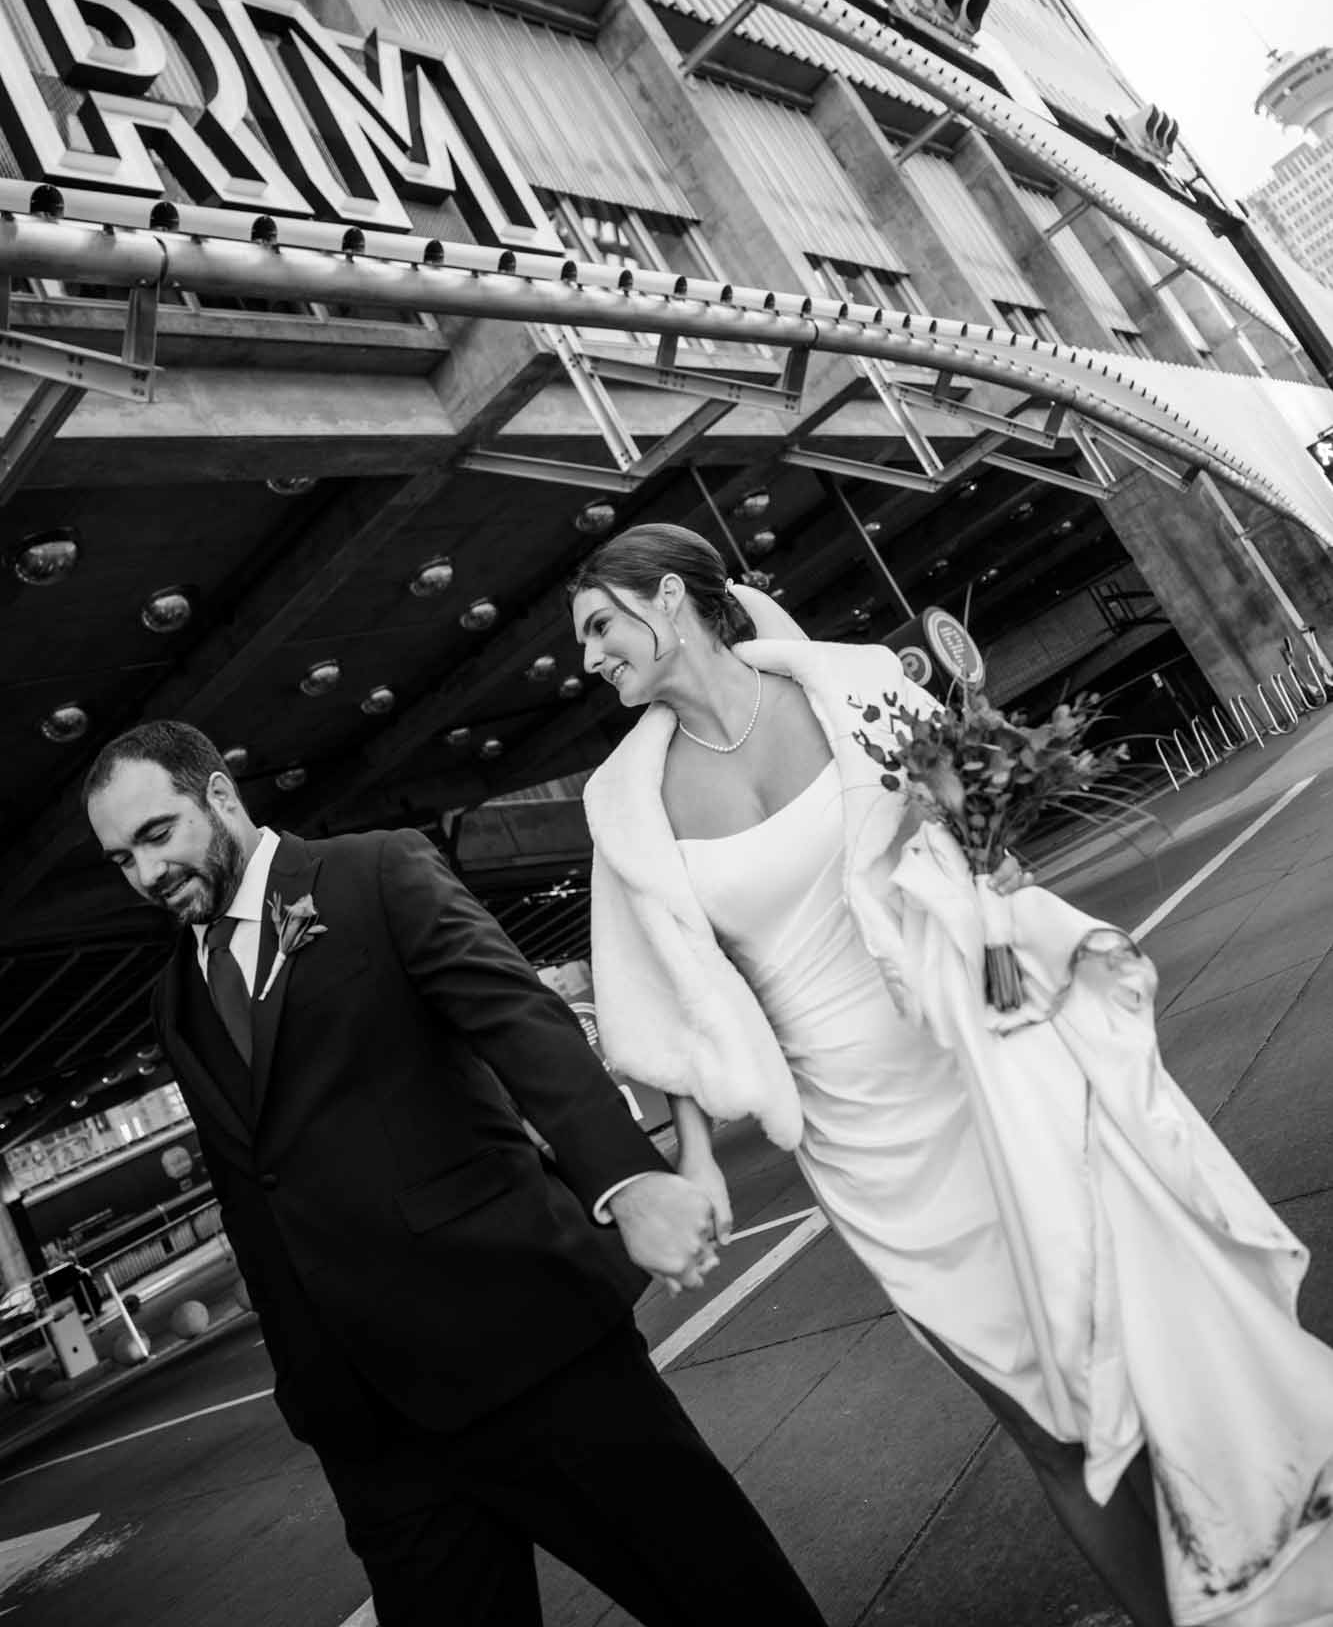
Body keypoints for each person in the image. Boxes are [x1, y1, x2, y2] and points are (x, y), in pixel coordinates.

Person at [571, 522, 1333, 1627]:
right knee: (1034, 1407)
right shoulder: (623, 804)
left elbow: (973, 831)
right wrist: (693, 1154)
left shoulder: (859, 685)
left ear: (672, 599)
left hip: (986, 1050)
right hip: (855, 1133)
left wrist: (992, 867)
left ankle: (1255, 1555)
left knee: (1123, 1323)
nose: (590, 657)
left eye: (601, 624)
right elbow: (660, 1000)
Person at [82, 721, 826, 1627]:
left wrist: (626, 1182)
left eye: (159, 834)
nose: (148, 874)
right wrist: (306, 1387)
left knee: (721, 1596)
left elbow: (518, 1022)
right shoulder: (174, 998)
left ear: (221, 797)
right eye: (122, 858)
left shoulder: (374, 872)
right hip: (371, 1428)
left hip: (525, 1343)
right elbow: (253, 1194)